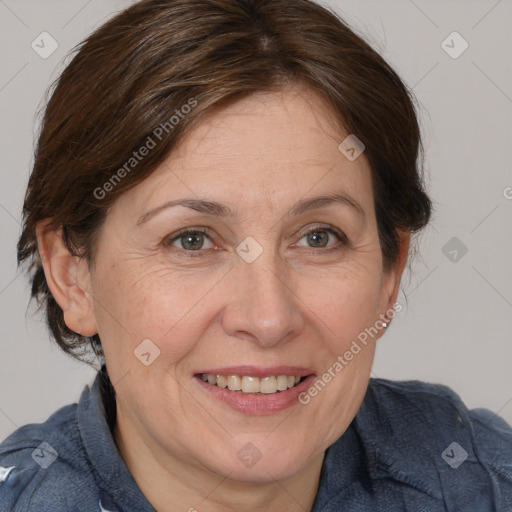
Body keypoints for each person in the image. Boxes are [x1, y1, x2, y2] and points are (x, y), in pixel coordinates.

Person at [1, 0, 511, 510]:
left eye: (318, 237)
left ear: (389, 274)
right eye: (192, 240)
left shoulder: (483, 482)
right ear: (72, 275)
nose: (268, 319)